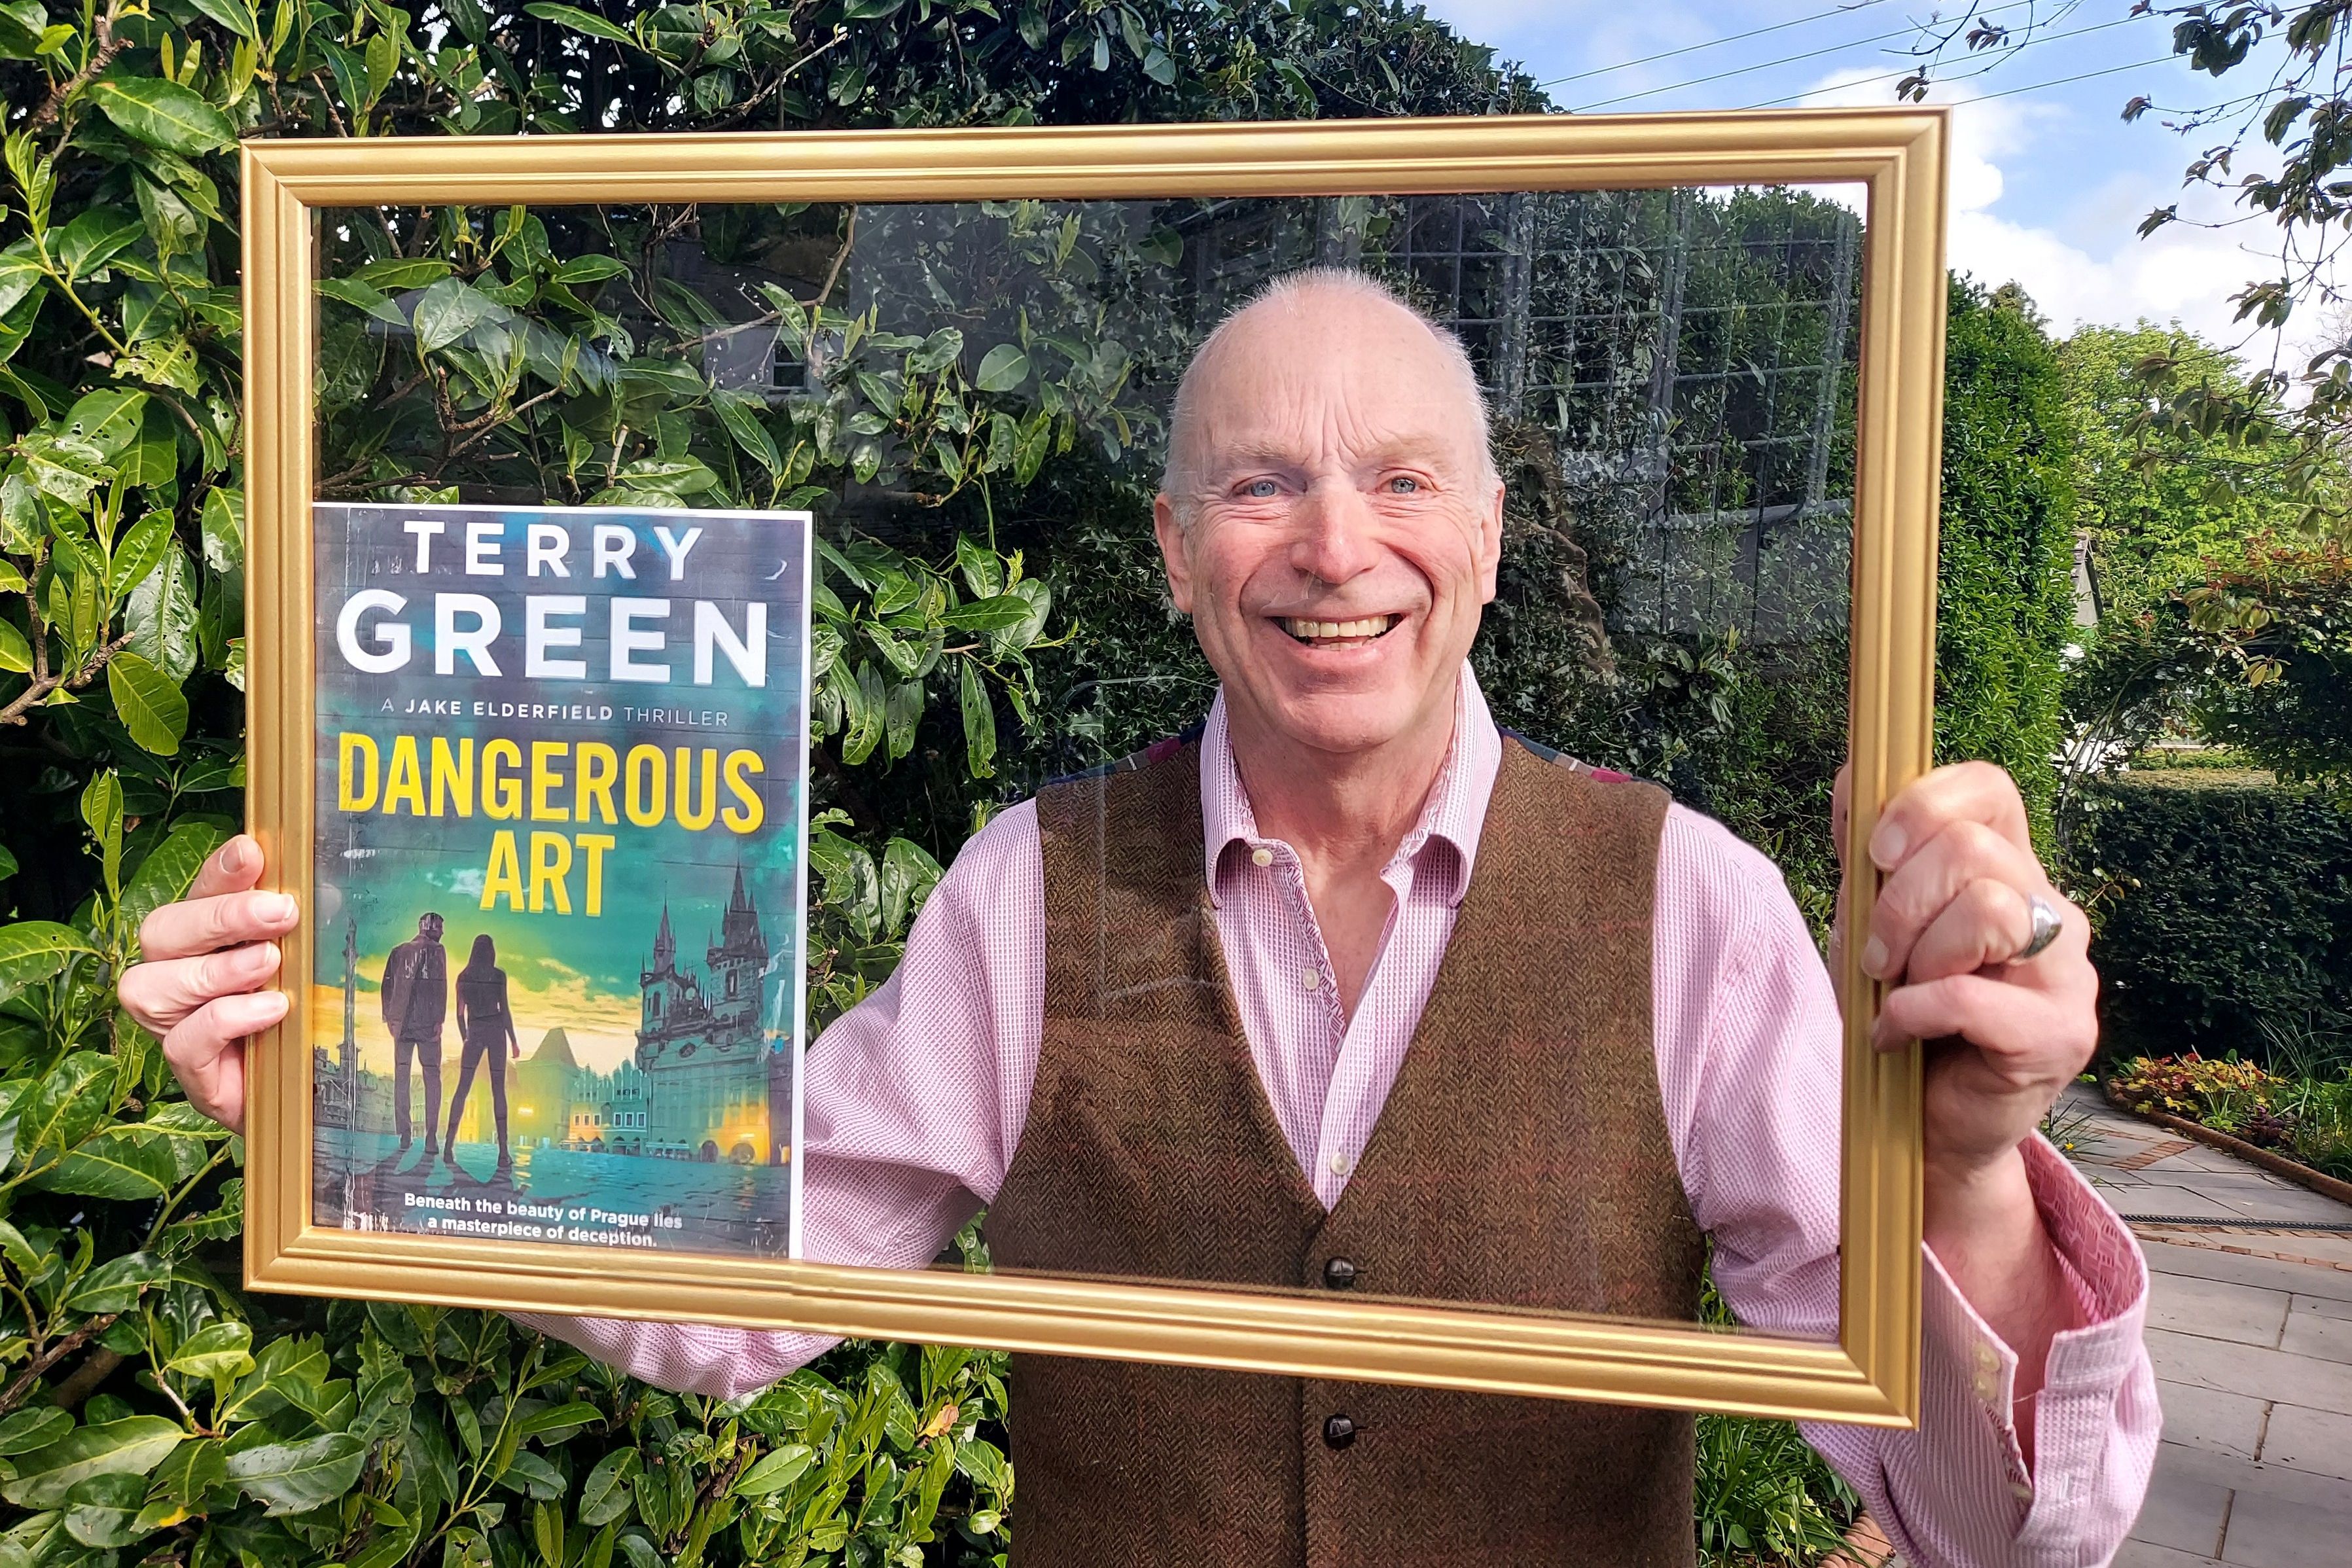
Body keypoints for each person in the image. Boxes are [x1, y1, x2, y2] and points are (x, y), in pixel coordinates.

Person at [122, 268, 2156, 1568]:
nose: (1336, 545)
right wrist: (343, 1098)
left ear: (1491, 538)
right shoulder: (1027, 893)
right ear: (1178, 557)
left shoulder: (1687, 907)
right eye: (1261, 486)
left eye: (1401, 480)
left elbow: (2011, 1542)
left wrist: (1975, 1181)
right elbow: (728, 1297)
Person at [443, 933, 520, 1167]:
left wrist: (466, 1036)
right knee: (499, 1091)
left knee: (462, 1089)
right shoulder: (498, 976)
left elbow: (459, 1014)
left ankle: (448, 1147)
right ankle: (503, 1153)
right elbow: (505, 1010)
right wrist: (513, 1040)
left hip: (475, 1030)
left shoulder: (463, 978)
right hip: (496, 1031)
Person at [378, 911, 447, 1158]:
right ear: (428, 927)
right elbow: (440, 984)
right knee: (432, 1079)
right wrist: (440, 1019)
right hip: (428, 1025)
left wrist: (389, 1017)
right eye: (439, 927)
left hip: (403, 1025)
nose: (442, 932)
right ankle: (430, 1137)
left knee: (402, 1078)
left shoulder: (399, 951)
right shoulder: (438, 951)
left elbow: (386, 984)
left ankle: (405, 1134)